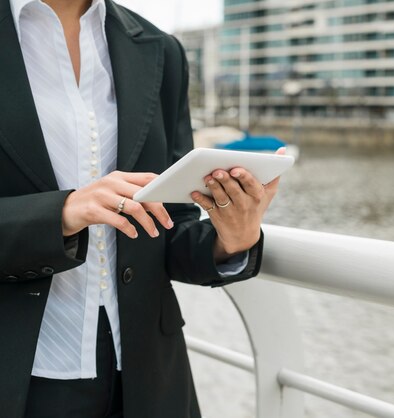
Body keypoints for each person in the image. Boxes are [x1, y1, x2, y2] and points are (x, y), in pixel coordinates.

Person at [0, 0, 280, 416]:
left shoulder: (160, 49)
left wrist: (233, 238)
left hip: (146, 378)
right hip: (19, 373)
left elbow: (171, 227)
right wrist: (63, 213)